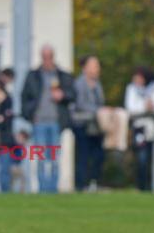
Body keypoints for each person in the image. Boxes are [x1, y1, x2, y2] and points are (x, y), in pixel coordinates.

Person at [21, 44, 75, 193]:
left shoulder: (62, 76)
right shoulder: (33, 76)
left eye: (49, 57)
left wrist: (62, 95)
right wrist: (29, 115)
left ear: (53, 57)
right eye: (44, 57)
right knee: (41, 158)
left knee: (54, 158)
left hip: (56, 123)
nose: (47, 60)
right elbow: (24, 97)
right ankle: (43, 189)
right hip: (39, 122)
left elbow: (72, 94)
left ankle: (53, 189)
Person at [124, 66, 154, 191]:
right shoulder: (132, 89)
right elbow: (130, 108)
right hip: (141, 130)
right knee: (142, 160)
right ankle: (142, 188)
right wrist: (144, 107)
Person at [72, 55, 105, 192]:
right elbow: (80, 104)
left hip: (95, 125)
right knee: (83, 155)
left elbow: (101, 102)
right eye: (94, 65)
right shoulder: (79, 83)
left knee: (98, 155)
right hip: (82, 124)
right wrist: (98, 111)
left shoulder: (97, 84)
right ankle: (81, 185)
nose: (97, 68)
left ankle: (93, 183)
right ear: (85, 67)